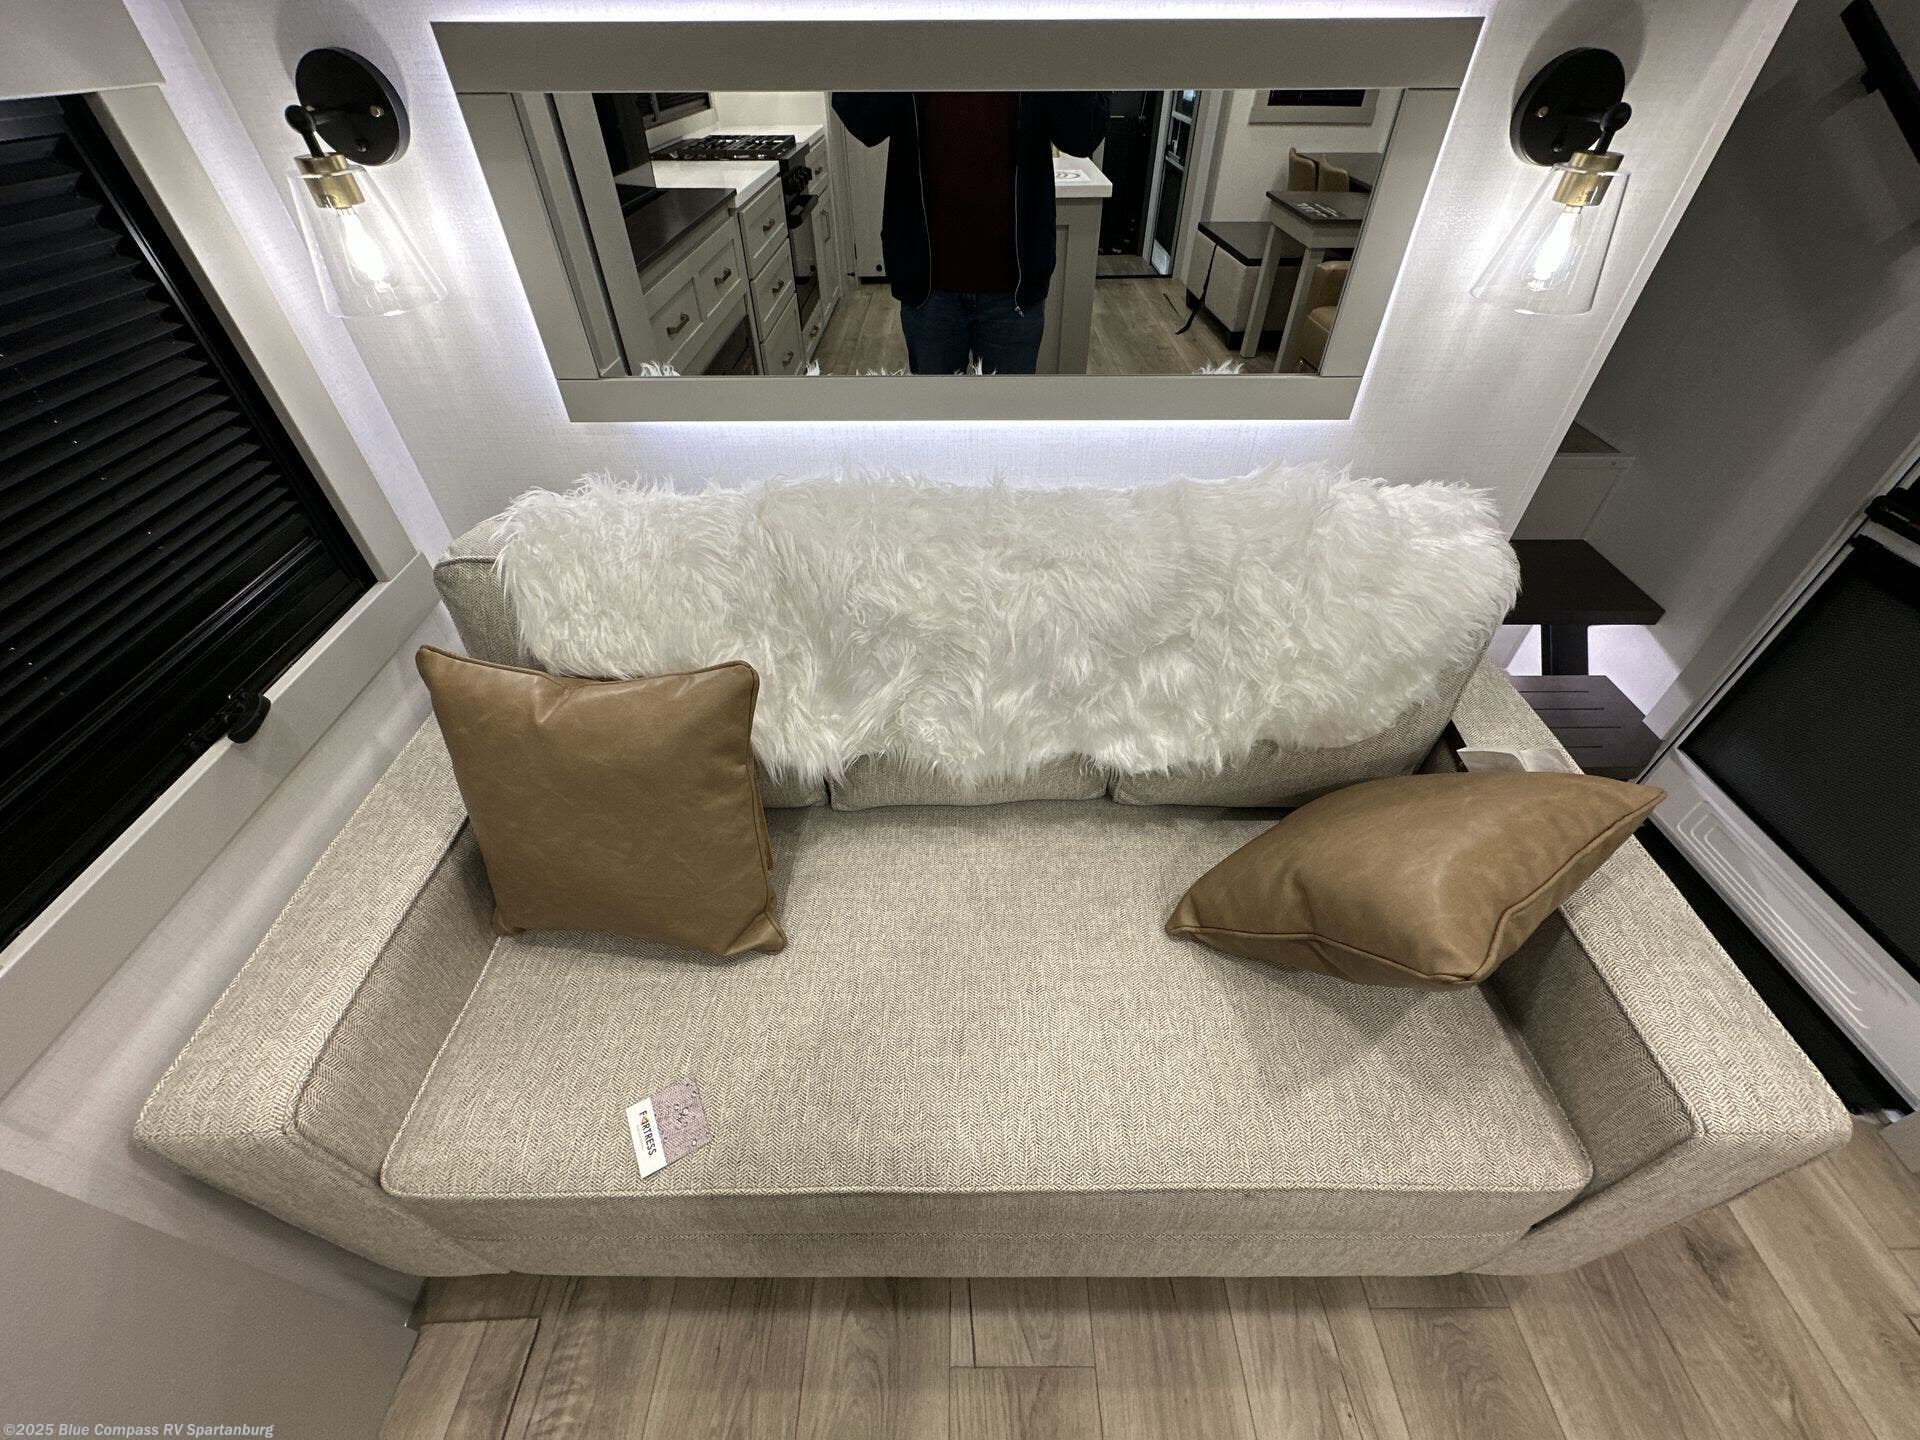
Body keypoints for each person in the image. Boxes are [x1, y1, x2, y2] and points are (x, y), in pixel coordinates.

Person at [831, 91, 1110, 374]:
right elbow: (863, 120)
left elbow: (1084, 133)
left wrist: (1046, 61)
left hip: (1014, 288)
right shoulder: (907, 59)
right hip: (927, 287)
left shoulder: (1036, 61)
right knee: (936, 403)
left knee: (1007, 403)